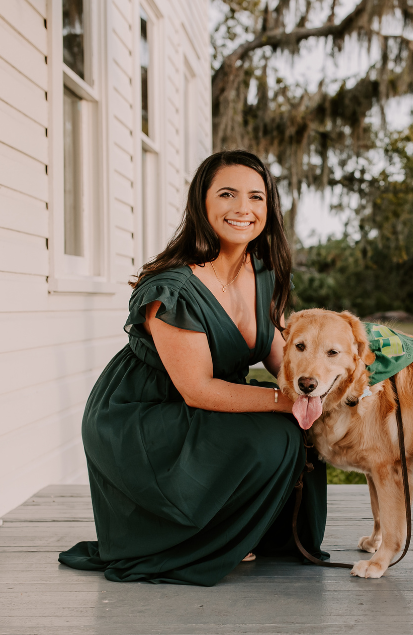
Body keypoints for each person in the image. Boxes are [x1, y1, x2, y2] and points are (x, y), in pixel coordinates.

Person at [58, 150, 328, 585]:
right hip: (144, 414)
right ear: (201, 204)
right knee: (276, 432)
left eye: (256, 197)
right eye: (227, 194)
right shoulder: (174, 287)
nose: (244, 209)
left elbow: (283, 356)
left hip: (198, 401)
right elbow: (198, 390)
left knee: (307, 424)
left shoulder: (262, 271)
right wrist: (286, 402)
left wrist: (331, 384)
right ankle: (202, 541)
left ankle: (257, 534)